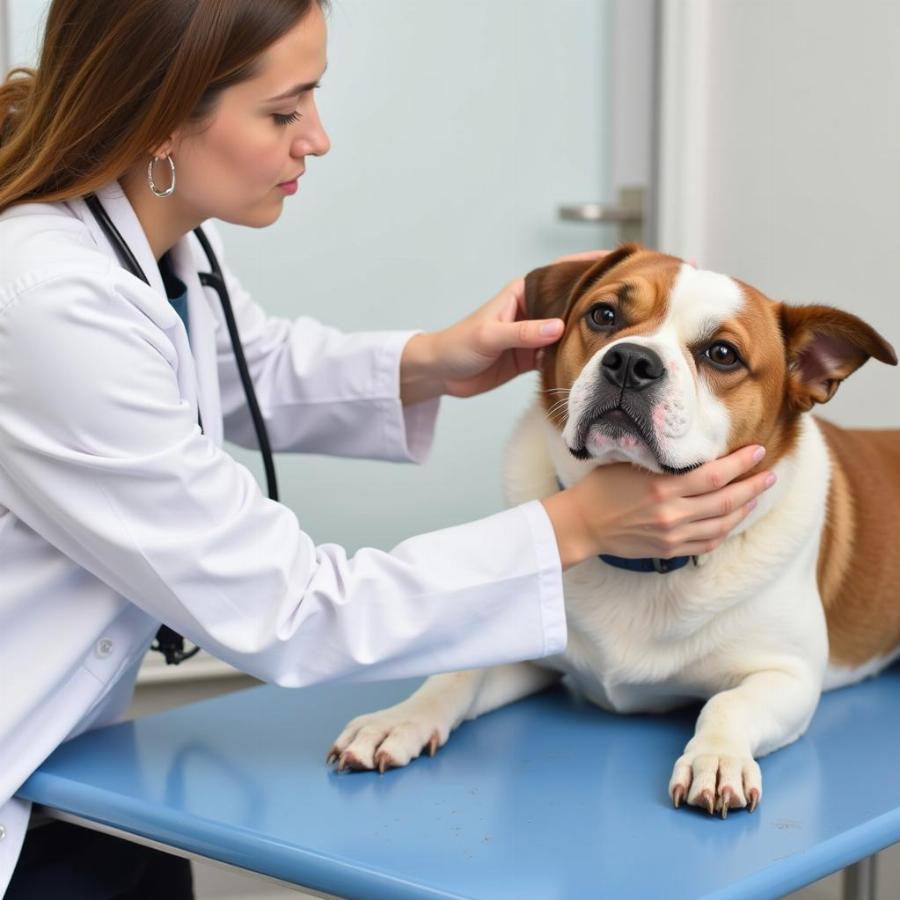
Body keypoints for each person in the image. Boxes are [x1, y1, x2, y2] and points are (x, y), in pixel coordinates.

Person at [0, 0, 775, 896]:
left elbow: (243, 367)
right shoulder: (47, 301)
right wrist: (574, 526)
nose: (316, 140)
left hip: (74, 758)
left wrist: (433, 362)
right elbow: (292, 609)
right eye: (284, 112)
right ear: (162, 116)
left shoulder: (148, 243)